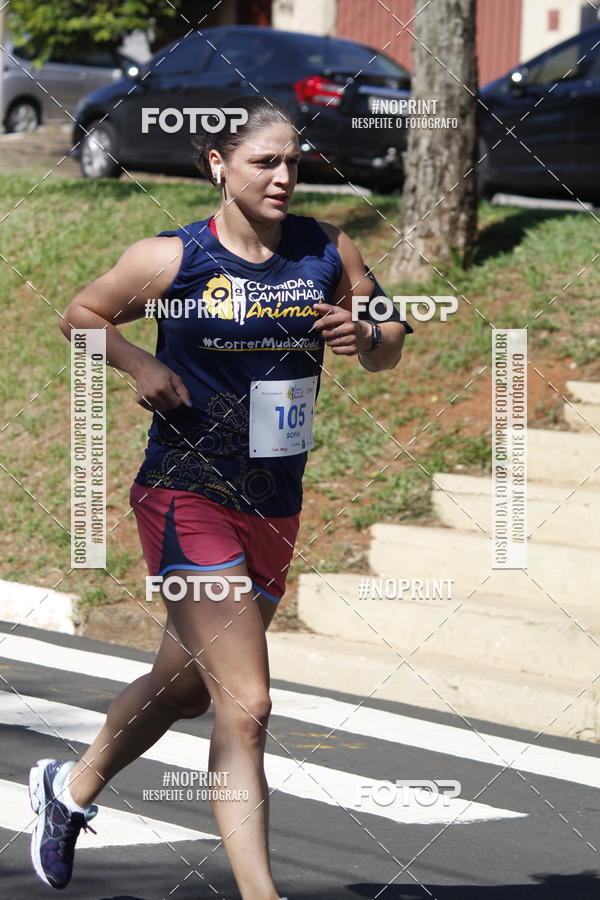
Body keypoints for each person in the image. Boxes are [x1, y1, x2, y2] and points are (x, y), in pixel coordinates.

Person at [29, 95, 410, 897]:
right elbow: (81, 315)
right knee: (248, 702)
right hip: (186, 492)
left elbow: (390, 341)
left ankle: (69, 789)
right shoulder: (173, 258)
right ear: (218, 164)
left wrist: (366, 335)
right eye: (264, 162)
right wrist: (139, 363)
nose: (283, 177)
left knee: (186, 689)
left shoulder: (327, 248)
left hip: (273, 503)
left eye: (293, 162)